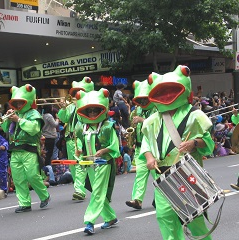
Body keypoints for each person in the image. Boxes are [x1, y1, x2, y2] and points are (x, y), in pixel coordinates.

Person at [141, 65, 215, 239]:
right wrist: (149, 157)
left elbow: (209, 142)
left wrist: (194, 143)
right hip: (162, 174)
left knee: (193, 219)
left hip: (186, 172)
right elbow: (146, 143)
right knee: (164, 216)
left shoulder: (195, 115)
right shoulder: (152, 120)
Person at [75, 88, 120, 235]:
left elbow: (114, 145)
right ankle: (111, 217)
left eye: (95, 110)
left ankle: (89, 221)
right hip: (89, 164)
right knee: (97, 192)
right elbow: (80, 145)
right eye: (90, 111)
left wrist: (104, 150)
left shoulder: (108, 126)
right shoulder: (82, 127)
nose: (93, 114)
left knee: (98, 193)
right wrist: (79, 152)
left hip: (103, 163)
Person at [0, 84, 50, 213]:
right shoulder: (14, 113)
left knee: (32, 175)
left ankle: (44, 196)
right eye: (16, 102)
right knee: (18, 178)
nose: (18, 105)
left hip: (29, 148)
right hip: (15, 149)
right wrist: (7, 119)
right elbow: (5, 129)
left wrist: (18, 120)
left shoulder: (34, 113)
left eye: (21, 102)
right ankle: (24, 203)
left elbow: (34, 129)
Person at [57, 76, 94, 201]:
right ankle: (86, 188)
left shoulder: (88, 105)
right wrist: (62, 108)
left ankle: (79, 190)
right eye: (75, 92)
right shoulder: (71, 106)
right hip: (69, 139)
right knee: (73, 166)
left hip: (80, 137)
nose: (76, 95)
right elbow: (64, 118)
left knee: (80, 164)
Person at [125, 79, 156, 210]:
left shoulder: (156, 109)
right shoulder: (136, 110)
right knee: (140, 175)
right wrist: (130, 137)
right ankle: (137, 200)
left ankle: (162, 197)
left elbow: (157, 125)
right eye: (140, 100)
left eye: (145, 99)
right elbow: (132, 125)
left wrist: (142, 120)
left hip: (153, 148)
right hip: (139, 147)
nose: (142, 103)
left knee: (158, 175)